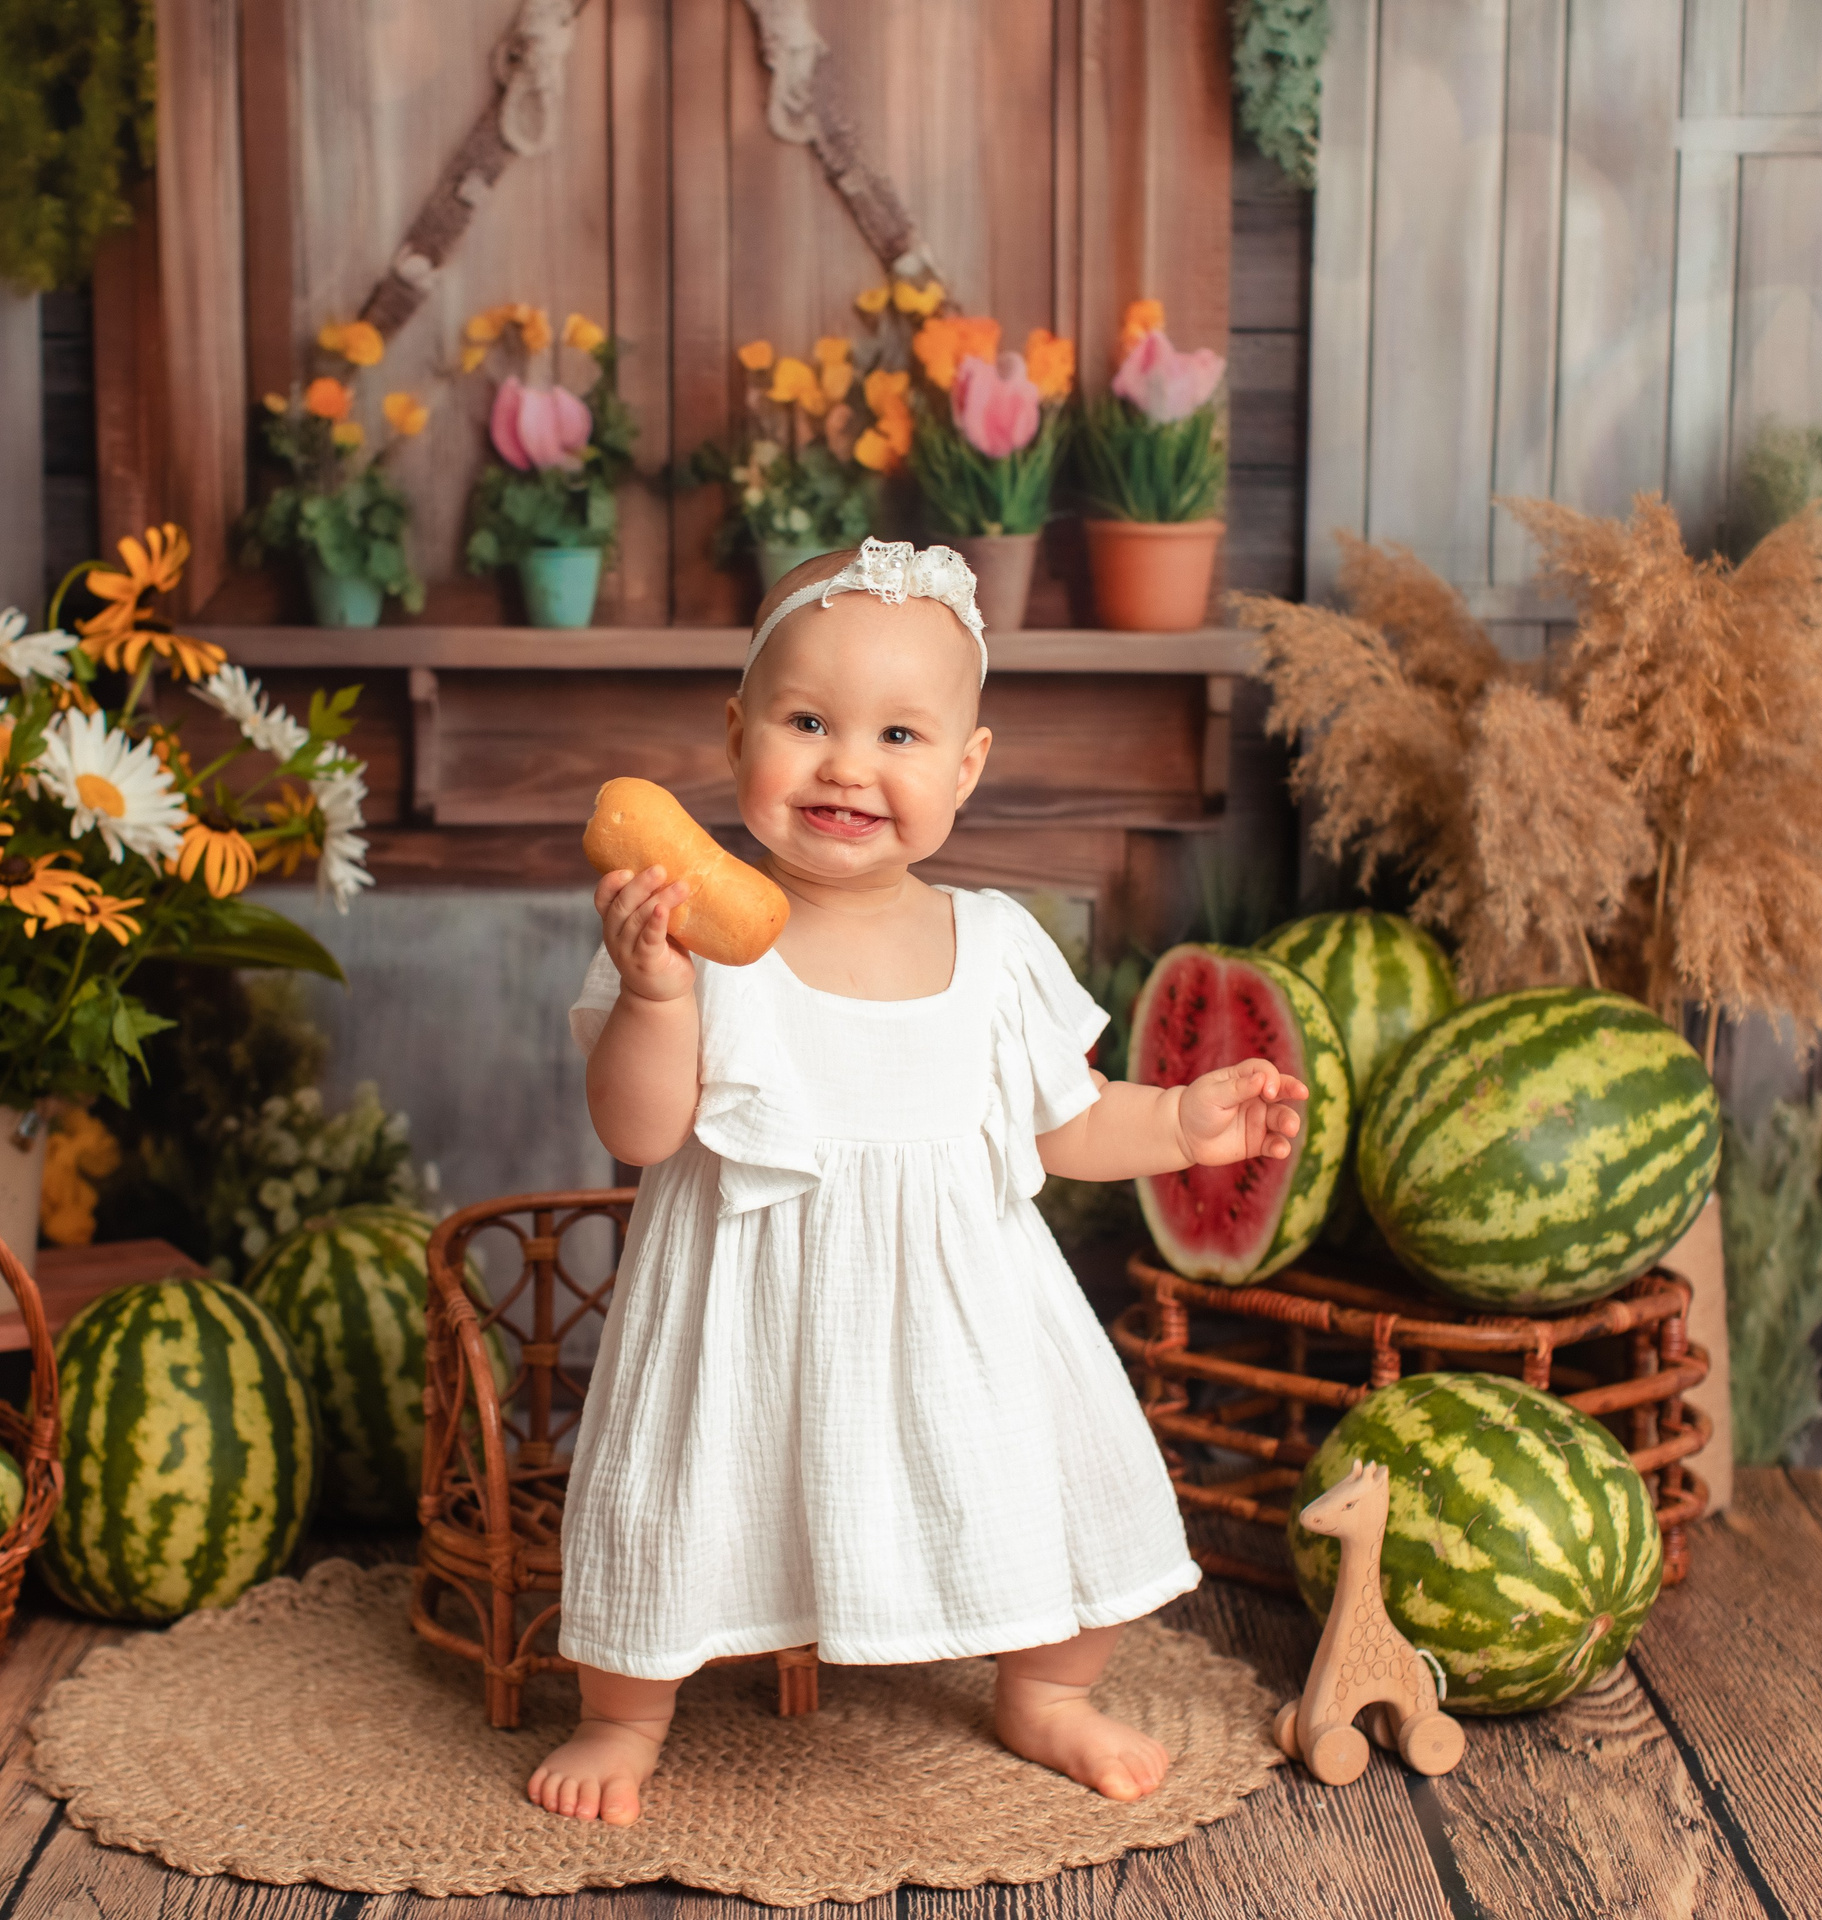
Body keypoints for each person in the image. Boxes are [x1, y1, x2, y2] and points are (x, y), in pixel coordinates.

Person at [533, 540, 1308, 1826]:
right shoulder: (691, 944)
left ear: (966, 767)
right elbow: (640, 1127)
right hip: (744, 1327)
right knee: (671, 1496)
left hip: (967, 1324)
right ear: (736, 740)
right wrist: (659, 999)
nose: (848, 763)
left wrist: (1176, 1121)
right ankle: (623, 1712)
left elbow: (1067, 1124)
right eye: (806, 722)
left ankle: (1045, 1692)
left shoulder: (996, 944)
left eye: (899, 732)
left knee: (1063, 1490)